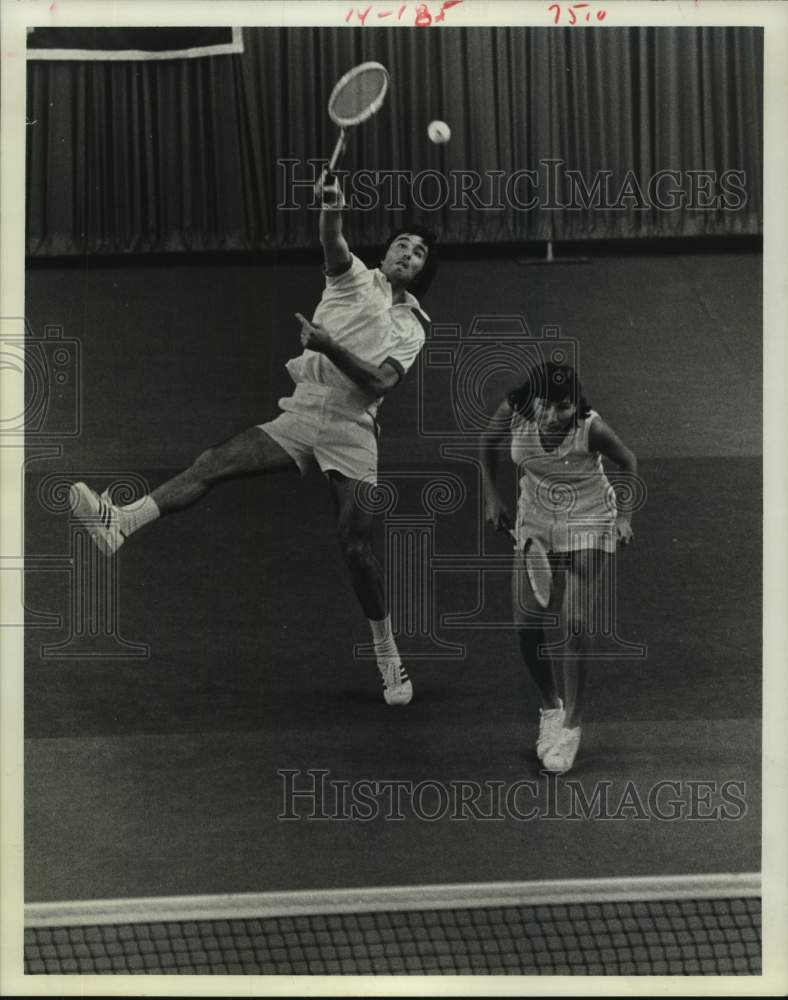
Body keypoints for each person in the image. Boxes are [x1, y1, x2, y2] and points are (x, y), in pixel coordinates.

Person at [70, 173, 438, 706]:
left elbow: (380, 382)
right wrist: (331, 207)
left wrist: (330, 346)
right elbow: (332, 239)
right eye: (402, 243)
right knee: (213, 461)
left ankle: (389, 659)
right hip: (305, 408)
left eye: (420, 252)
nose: (408, 252)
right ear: (384, 254)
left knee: (355, 547)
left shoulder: (414, 327)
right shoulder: (353, 278)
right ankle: (121, 522)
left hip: (354, 427)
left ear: (423, 270)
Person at [480, 361, 638, 774]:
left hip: (588, 515)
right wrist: (492, 496)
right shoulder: (515, 412)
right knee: (526, 622)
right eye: (546, 406)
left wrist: (624, 517)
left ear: (576, 404)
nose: (553, 416)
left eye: (563, 406)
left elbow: (628, 462)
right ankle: (551, 706)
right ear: (533, 401)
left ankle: (571, 725)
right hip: (536, 515)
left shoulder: (591, 428)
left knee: (575, 622)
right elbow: (487, 446)